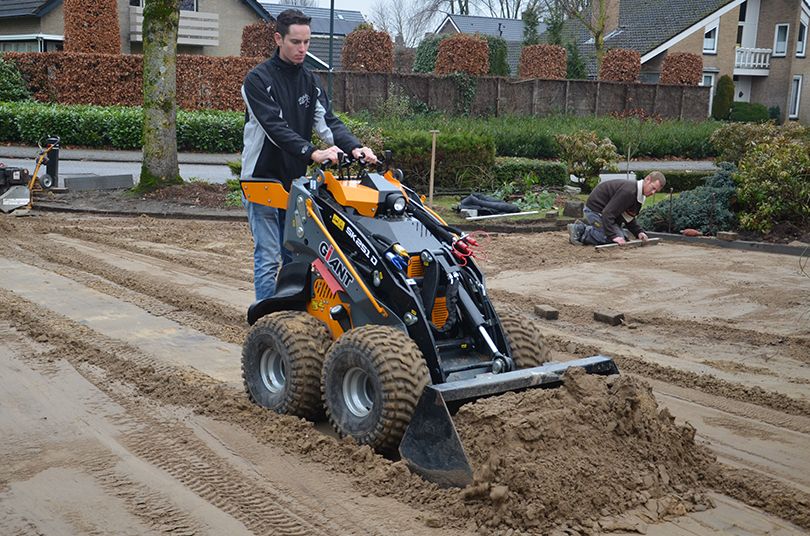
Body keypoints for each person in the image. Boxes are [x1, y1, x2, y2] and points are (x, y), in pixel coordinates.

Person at [241, 9, 377, 301]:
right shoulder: (257, 80)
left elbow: (328, 123)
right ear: (279, 39)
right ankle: (267, 321)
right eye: (295, 42)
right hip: (260, 180)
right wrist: (312, 152)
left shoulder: (310, 80)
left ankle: (293, 318)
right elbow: (274, 128)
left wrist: (355, 147)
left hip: (294, 183)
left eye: (306, 42)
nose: (302, 49)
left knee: (296, 255)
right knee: (268, 256)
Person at [568, 171, 666, 246]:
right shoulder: (629, 192)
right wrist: (614, 236)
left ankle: (595, 230)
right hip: (595, 210)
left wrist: (639, 232)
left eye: (656, 191)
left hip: (607, 214)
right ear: (647, 179)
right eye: (653, 188)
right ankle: (579, 230)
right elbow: (607, 213)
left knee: (623, 238)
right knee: (608, 239)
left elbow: (629, 217)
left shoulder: (639, 196)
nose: (653, 192)